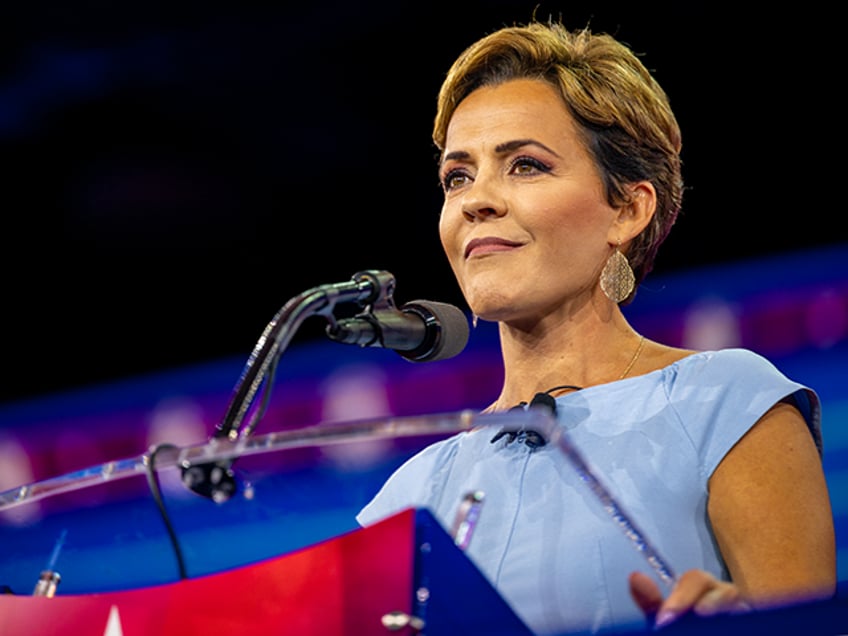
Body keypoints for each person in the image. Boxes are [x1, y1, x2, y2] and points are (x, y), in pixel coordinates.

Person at [355, 18, 836, 635]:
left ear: (629, 209)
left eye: (525, 165)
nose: (477, 199)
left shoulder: (726, 402)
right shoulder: (409, 495)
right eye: (458, 176)